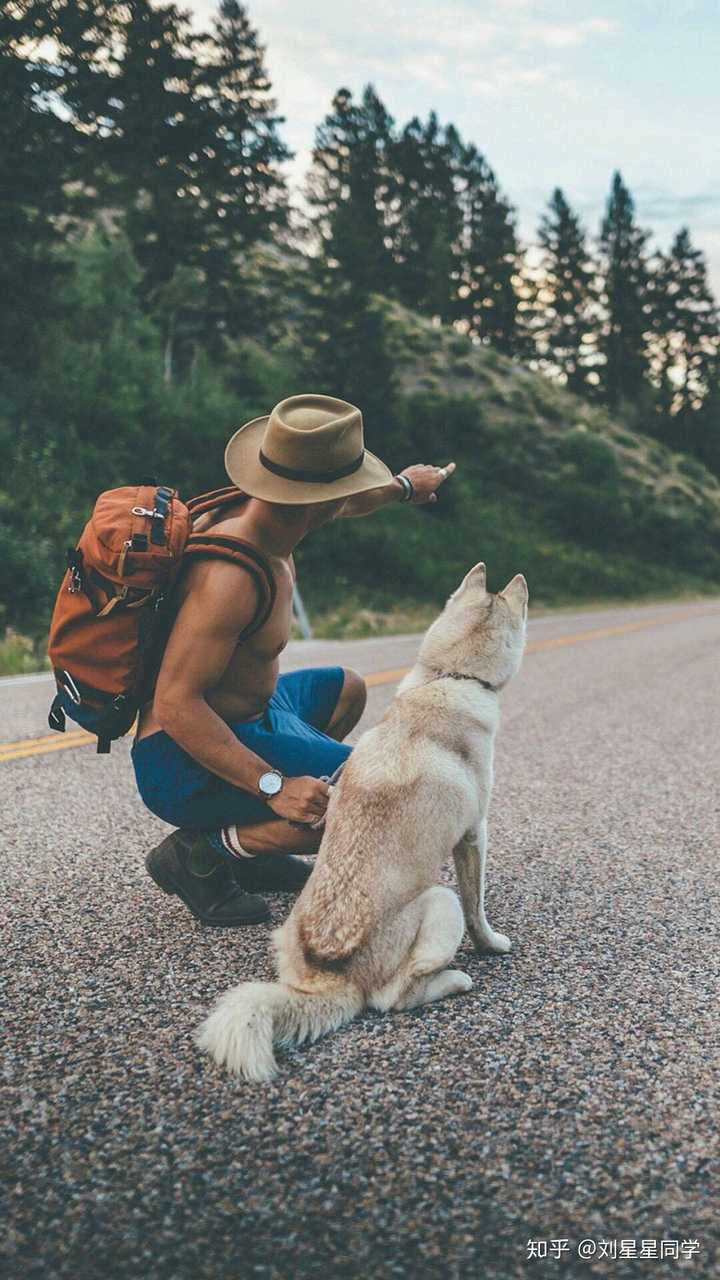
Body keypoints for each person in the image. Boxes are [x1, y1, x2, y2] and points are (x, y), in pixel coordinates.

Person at [134, 394, 455, 927]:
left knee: (346, 686)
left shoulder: (267, 509)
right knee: (376, 800)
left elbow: (351, 501)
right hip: (179, 755)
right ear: (319, 498)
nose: (346, 502)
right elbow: (175, 703)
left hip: (257, 710)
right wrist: (274, 787)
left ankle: (253, 847)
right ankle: (201, 854)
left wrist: (403, 487)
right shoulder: (231, 578)